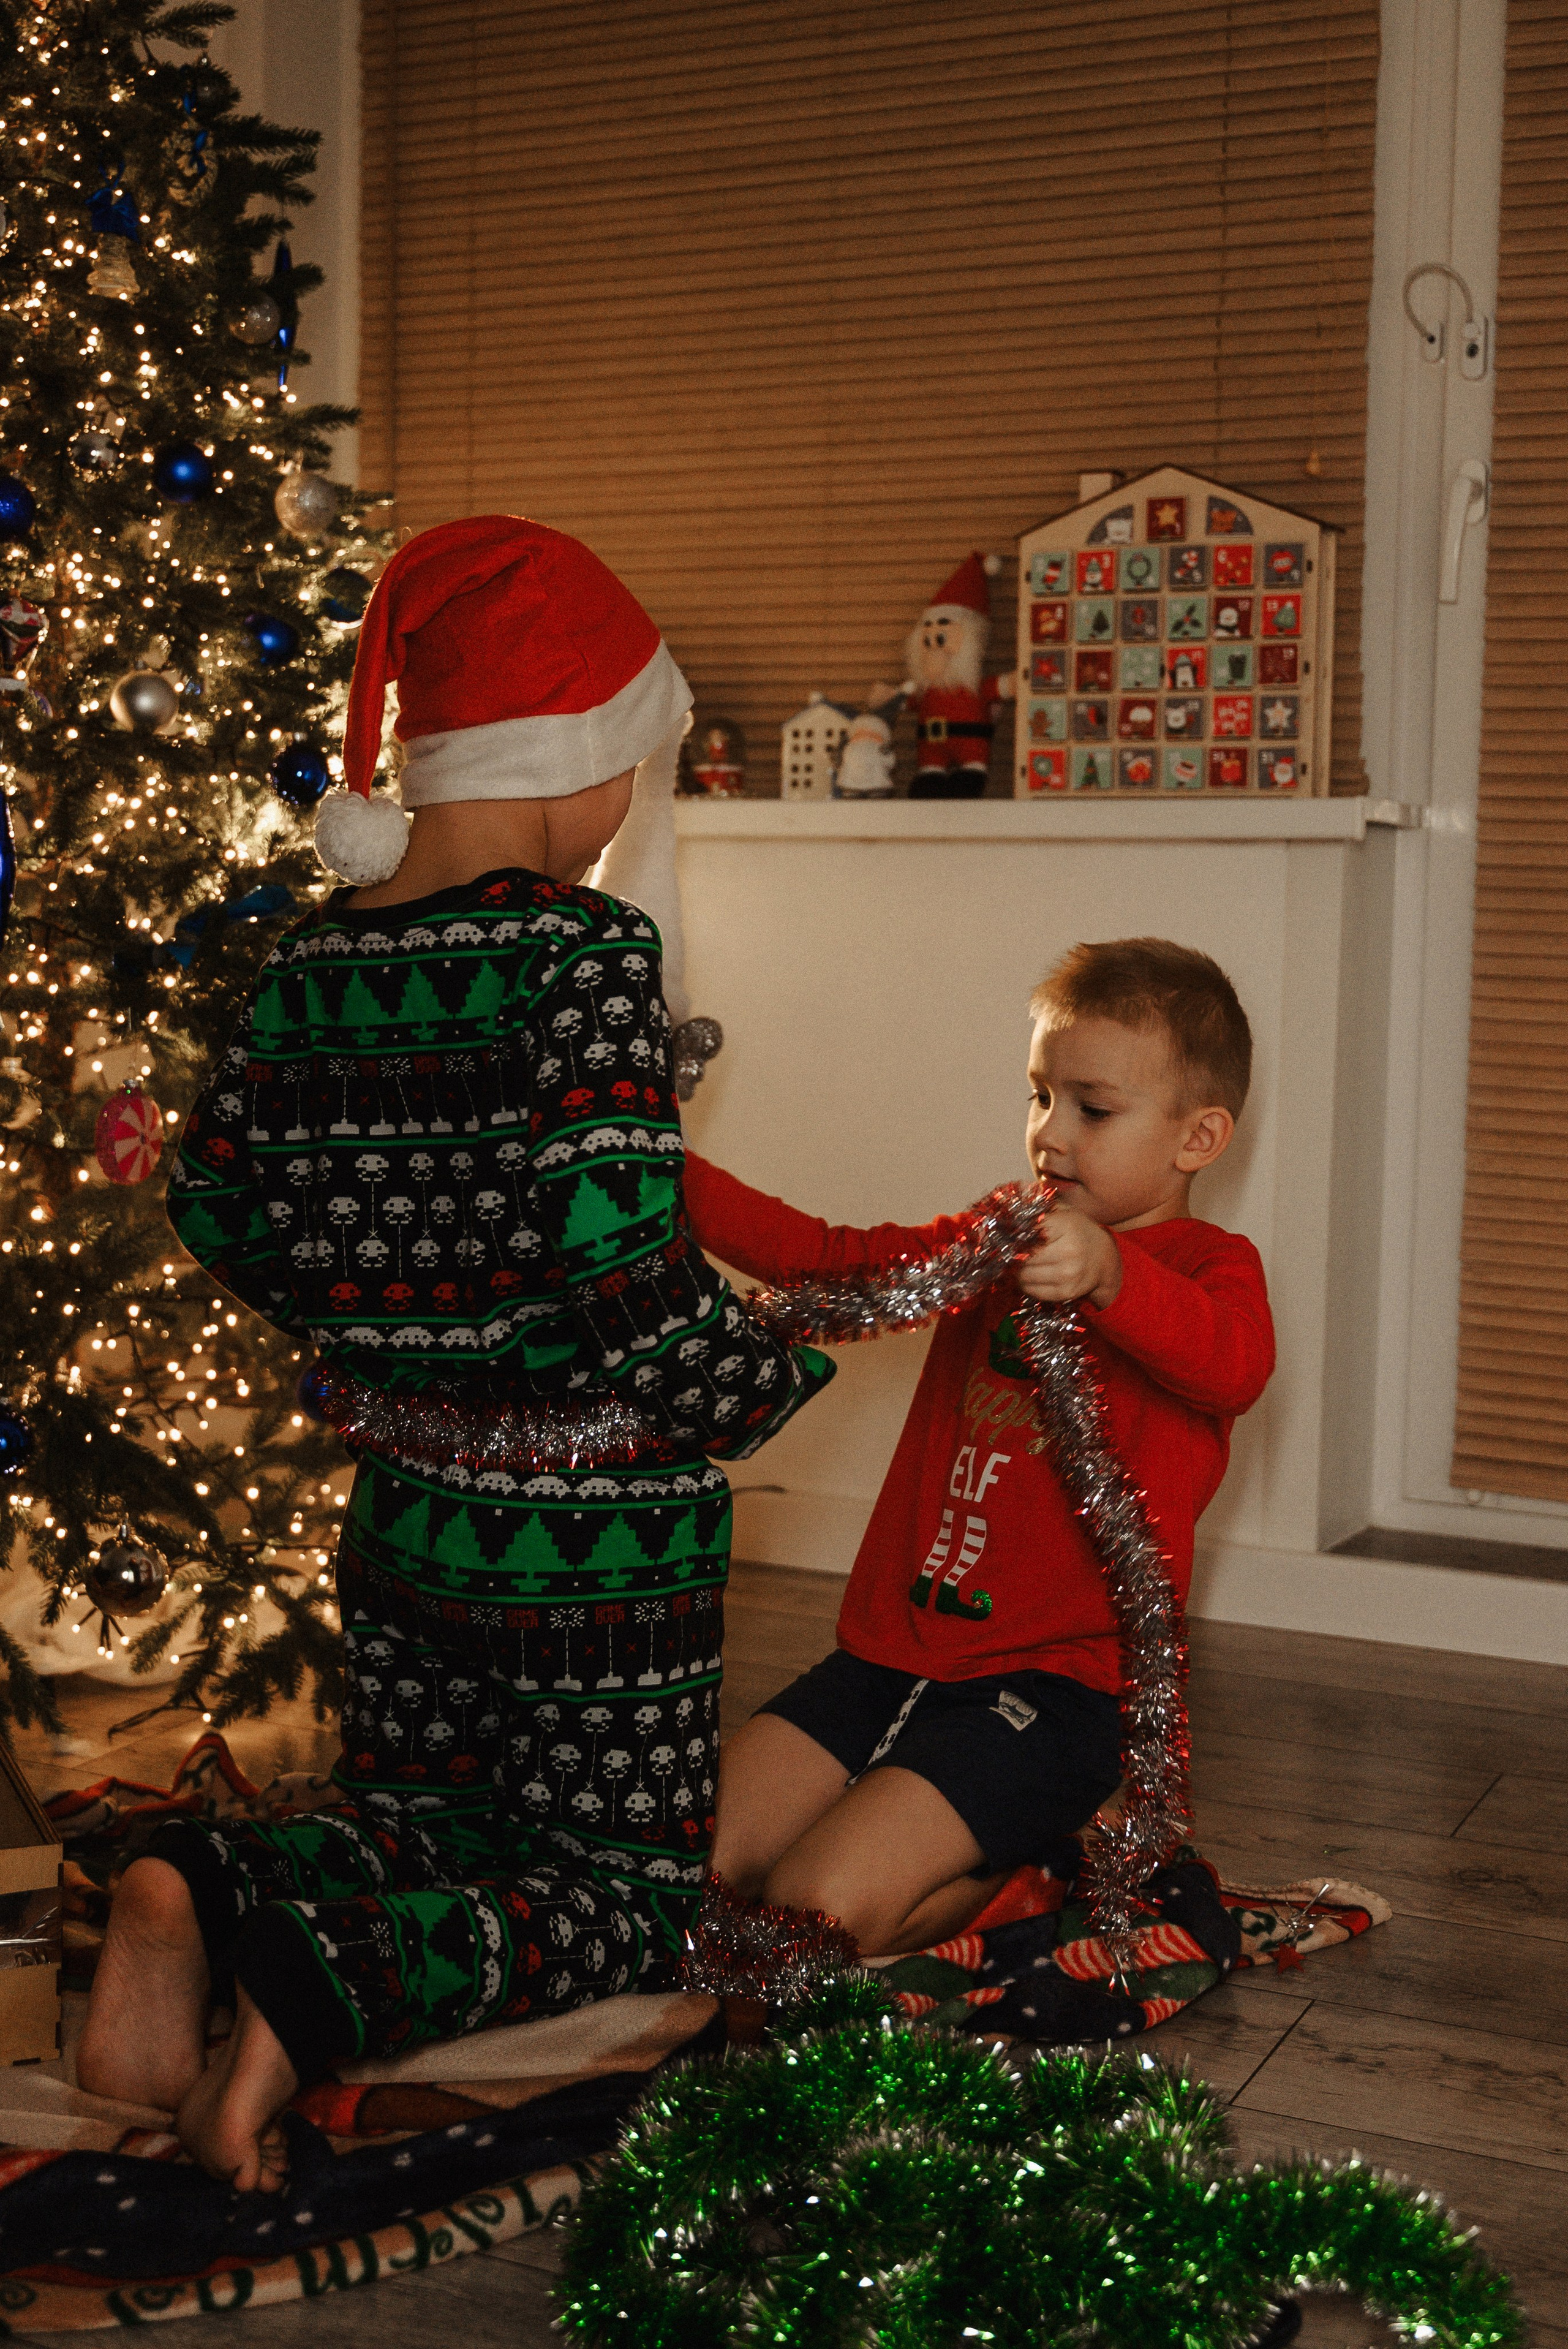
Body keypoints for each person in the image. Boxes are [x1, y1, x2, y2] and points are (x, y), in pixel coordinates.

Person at [77, 516, 832, 2189]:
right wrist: (761, 1377)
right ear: (572, 763)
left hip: (410, 1504)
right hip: (593, 1533)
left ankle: (190, 1889)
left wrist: (373, 1329)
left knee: (426, 1807)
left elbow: (215, 1195)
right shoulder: (585, 956)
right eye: (630, 764)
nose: (629, 809)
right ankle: (309, 1993)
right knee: (625, 1885)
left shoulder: (312, 963)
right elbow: (625, 1260)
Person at [690, 937, 1275, 1962]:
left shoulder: (1210, 1268)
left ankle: (1026, 1885)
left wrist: (1111, 1276)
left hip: (1052, 1696)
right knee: (683, 1875)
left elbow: (1230, 1364)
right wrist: (656, 1169)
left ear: (1200, 1136)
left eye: (1093, 1108)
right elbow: (837, 1260)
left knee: (804, 1917)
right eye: (1040, 1095)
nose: (1050, 1133)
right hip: (885, 1658)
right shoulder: (1000, 1239)